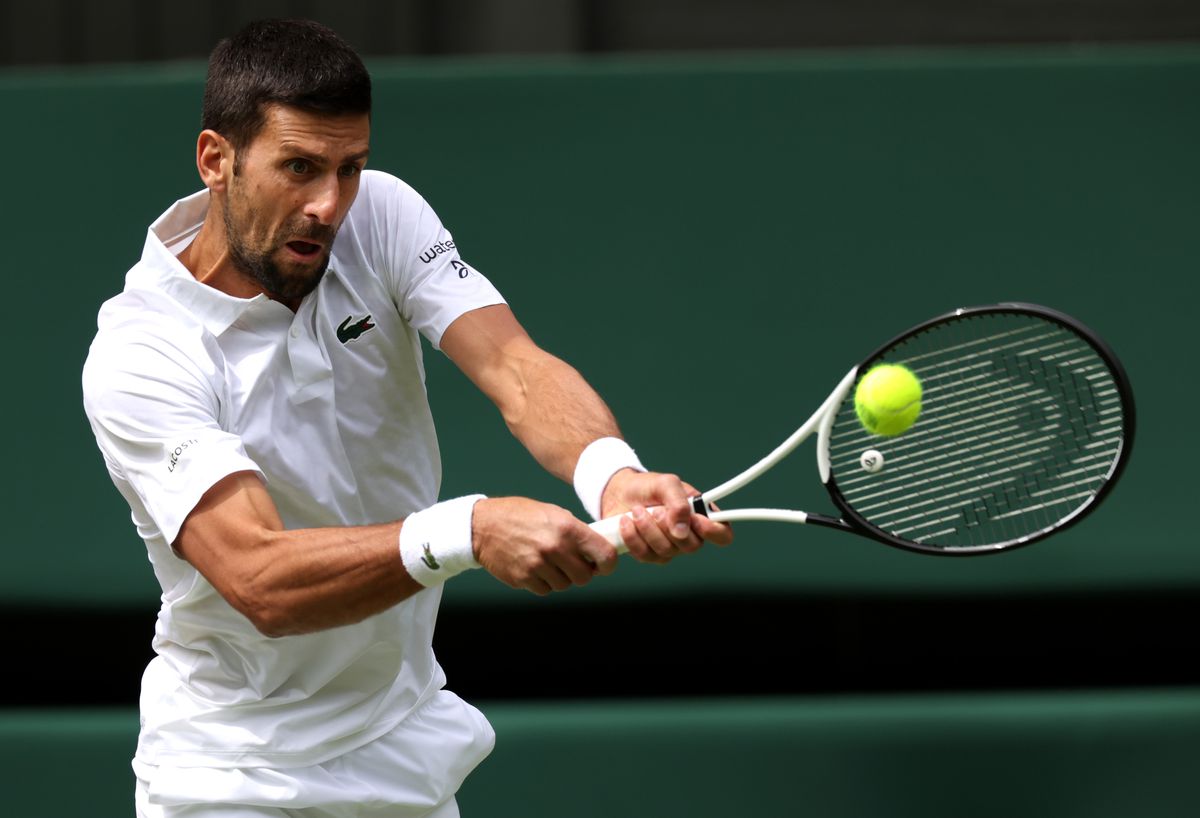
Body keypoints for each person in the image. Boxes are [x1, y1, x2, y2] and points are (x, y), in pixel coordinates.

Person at [81, 17, 732, 818]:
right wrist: (470, 530)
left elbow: (517, 370)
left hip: (404, 750)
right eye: (299, 167)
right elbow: (258, 577)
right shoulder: (142, 352)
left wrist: (612, 474)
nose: (328, 204)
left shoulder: (380, 216)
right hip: (230, 777)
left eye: (350, 167)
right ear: (217, 160)